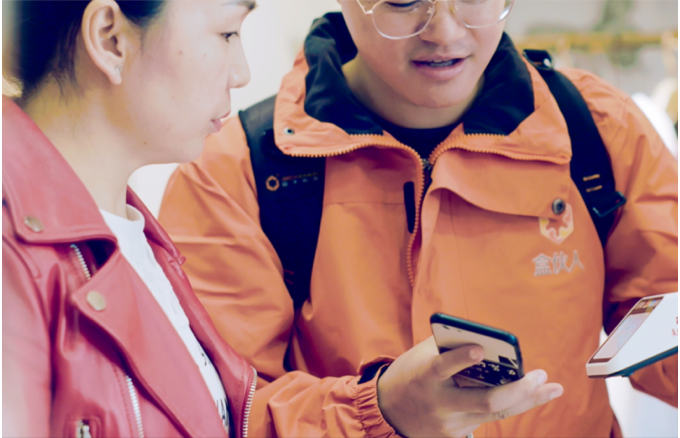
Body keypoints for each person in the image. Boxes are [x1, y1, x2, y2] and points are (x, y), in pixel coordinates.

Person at [160, 1, 679, 437]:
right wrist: (379, 412)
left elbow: (662, 344)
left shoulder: (599, 130)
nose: (445, 31)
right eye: (403, 0)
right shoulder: (239, 173)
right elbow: (219, 414)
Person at [1, 1, 257, 437]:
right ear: (110, 39)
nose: (242, 73)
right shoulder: (15, 254)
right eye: (227, 33)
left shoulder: (139, 241)